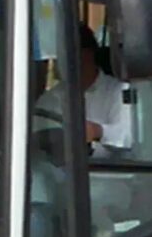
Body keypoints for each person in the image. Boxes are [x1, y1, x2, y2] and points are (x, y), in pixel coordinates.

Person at [37, 25, 133, 159]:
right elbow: (35, 133)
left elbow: (128, 136)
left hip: (111, 174)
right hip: (57, 172)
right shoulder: (51, 98)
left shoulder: (120, 91)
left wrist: (97, 131)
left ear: (89, 55)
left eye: (70, 55)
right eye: (60, 57)